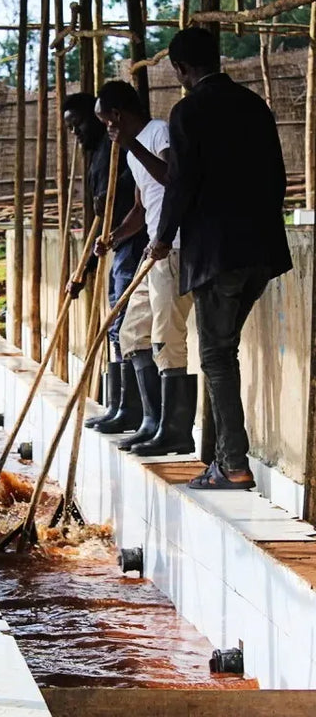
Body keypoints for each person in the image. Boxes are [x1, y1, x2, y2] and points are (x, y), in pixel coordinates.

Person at [150, 27, 292, 489]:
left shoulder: (188, 111)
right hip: (262, 252)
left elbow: (181, 183)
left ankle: (232, 464)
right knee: (223, 349)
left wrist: (163, 237)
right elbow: (277, 176)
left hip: (217, 255)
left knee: (215, 353)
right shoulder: (254, 105)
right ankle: (226, 459)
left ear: (180, 69)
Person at [94, 80, 196, 456]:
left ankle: (176, 432)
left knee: (166, 338)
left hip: (175, 246)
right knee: (132, 332)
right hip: (152, 250)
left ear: (118, 115)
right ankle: (151, 422)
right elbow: (140, 209)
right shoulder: (132, 151)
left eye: (107, 122)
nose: (107, 130)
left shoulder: (158, 133)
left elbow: (172, 177)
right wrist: (114, 237)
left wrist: (132, 145)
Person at [62, 92, 148, 434]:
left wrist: (113, 196)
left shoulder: (121, 148)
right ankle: (120, 405)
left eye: (79, 124)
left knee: (123, 323)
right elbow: (100, 216)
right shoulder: (99, 154)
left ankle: (131, 409)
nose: (76, 133)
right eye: (70, 128)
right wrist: (84, 270)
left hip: (135, 240)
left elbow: (135, 187)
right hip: (117, 243)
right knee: (116, 324)